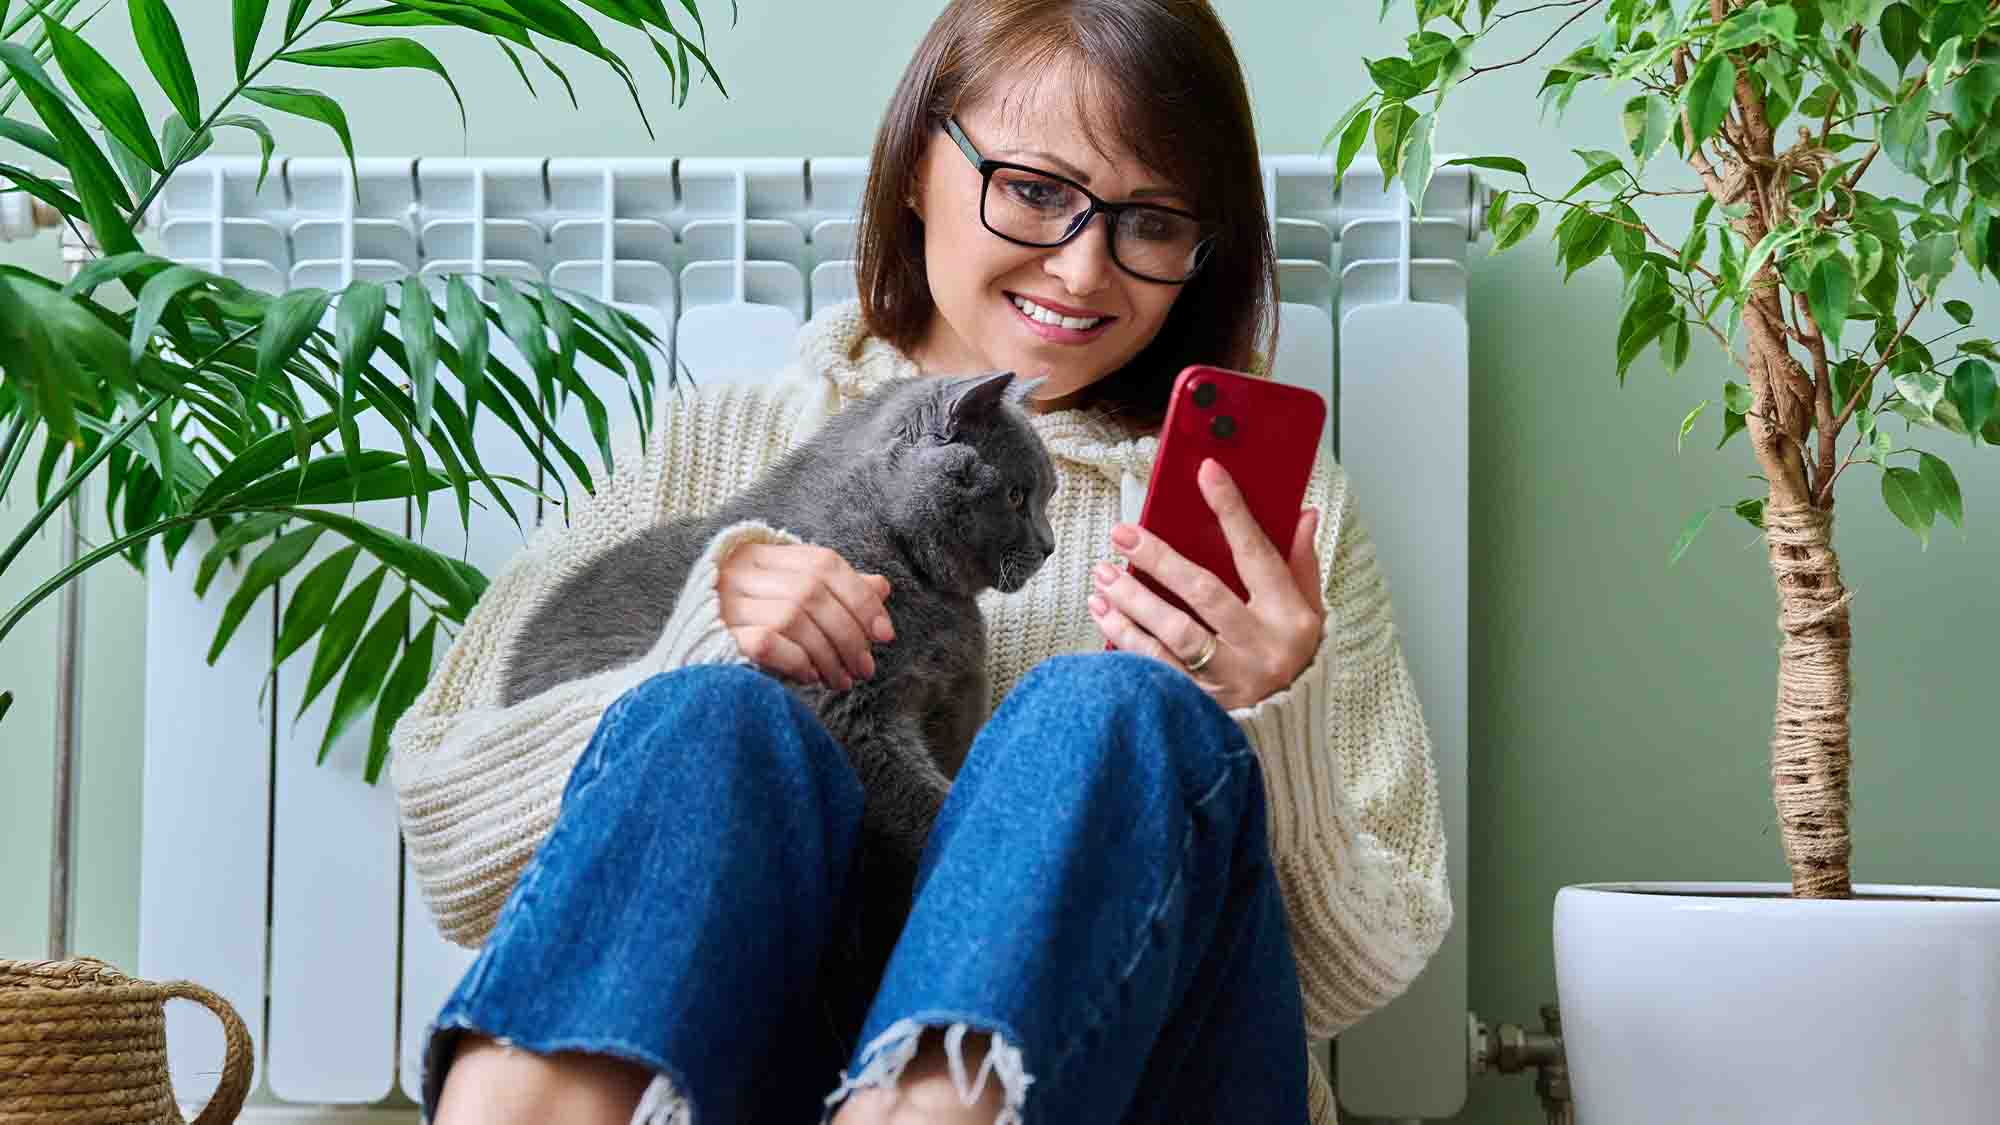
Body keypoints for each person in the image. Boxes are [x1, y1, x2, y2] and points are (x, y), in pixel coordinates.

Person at [388, 1, 1453, 1122]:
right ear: (913, 168)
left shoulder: (1266, 520)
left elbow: (1352, 976)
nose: (1084, 269)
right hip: (765, 1075)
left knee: (1102, 711)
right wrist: (702, 639)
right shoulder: (717, 446)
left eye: (1149, 220)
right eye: (1035, 191)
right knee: (710, 717)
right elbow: (452, 843)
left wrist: (1264, 719)